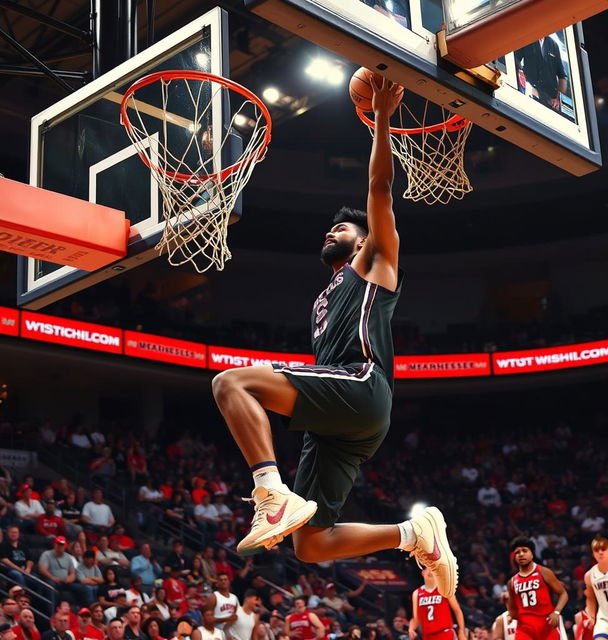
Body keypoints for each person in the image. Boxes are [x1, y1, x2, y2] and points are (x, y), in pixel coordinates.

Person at [210, 75, 457, 597]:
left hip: (361, 383)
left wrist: (383, 118)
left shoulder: (374, 260)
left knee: (232, 384)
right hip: (345, 418)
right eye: (330, 229)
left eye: (341, 229)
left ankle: (269, 491)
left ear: (365, 238)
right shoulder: (325, 292)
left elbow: (379, 191)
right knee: (311, 544)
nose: (331, 231)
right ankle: (416, 534)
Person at [507, 537, 568, 640]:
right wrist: (510, 616)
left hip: (547, 625)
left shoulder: (544, 572)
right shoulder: (512, 582)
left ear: (532, 554)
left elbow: (563, 594)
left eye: (525, 551)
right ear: (514, 557)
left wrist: (557, 611)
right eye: (517, 552)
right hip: (524, 628)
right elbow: (513, 608)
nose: (521, 554)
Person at [409, 567, 465, 640]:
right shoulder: (416, 593)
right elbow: (416, 618)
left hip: (444, 633)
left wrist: (461, 631)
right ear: (423, 572)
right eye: (427, 569)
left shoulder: (445, 589)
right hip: (427, 636)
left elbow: (457, 610)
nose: (430, 571)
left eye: (433, 569)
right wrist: (411, 628)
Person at [515, 36, 568, 112]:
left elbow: (562, 76)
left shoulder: (553, 45)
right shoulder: (528, 38)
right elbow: (515, 60)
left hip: (549, 100)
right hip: (530, 93)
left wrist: (558, 99)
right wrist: (526, 85)